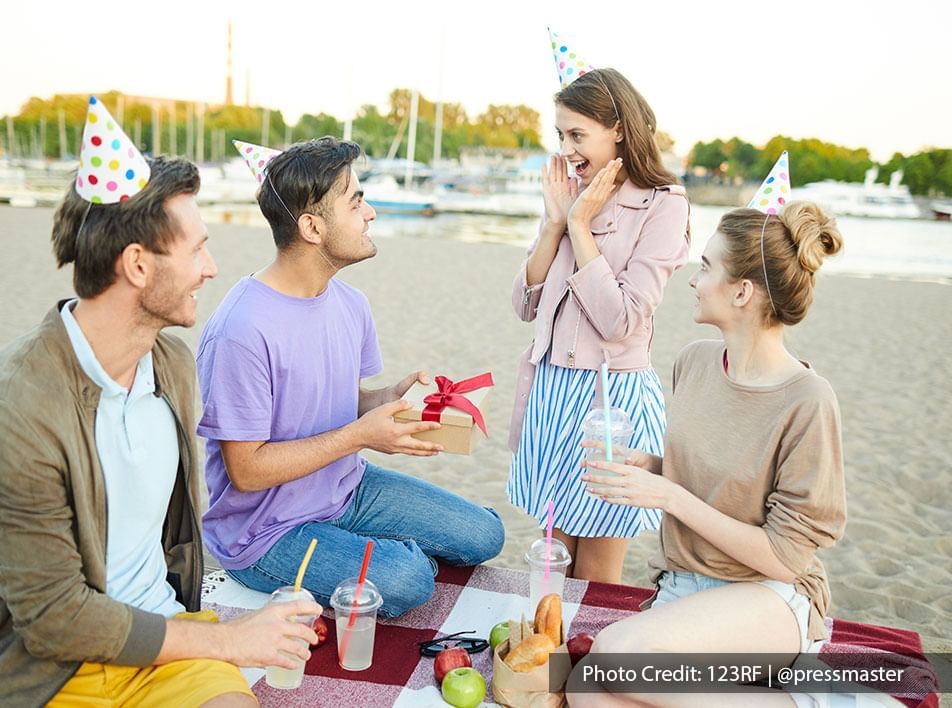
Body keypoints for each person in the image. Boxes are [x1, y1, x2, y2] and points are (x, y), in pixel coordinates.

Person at [0, 145, 322, 707]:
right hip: (57, 672)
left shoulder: (171, 364)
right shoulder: (21, 409)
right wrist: (230, 640)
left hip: (164, 646)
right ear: (138, 264)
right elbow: (54, 620)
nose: (211, 267)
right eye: (197, 248)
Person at [196, 137, 504, 618]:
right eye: (356, 201)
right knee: (410, 580)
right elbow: (246, 470)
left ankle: (355, 545)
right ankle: (364, 553)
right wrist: (360, 436)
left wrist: (392, 398)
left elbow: (340, 400)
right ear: (312, 227)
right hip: (265, 531)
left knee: (487, 536)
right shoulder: (241, 330)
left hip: (344, 486)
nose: (371, 213)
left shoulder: (349, 303)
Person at [569, 201, 847, 706]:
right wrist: (650, 467)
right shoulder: (694, 362)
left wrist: (668, 494)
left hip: (767, 594)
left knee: (612, 657)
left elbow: (785, 559)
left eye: (705, 267)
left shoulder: (808, 400)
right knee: (585, 690)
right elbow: (705, 478)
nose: (694, 281)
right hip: (685, 584)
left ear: (742, 291)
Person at [508, 67, 690, 583]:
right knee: (552, 560)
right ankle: (548, 663)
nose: (565, 148)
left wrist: (581, 227)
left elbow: (623, 319)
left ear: (618, 129)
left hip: (612, 402)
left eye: (576, 134)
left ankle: (589, 665)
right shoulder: (571, 194)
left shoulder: (664, 204)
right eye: (560, 135)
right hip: (551, 392)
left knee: (597, 574)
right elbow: (524, 305)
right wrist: (554, 223)